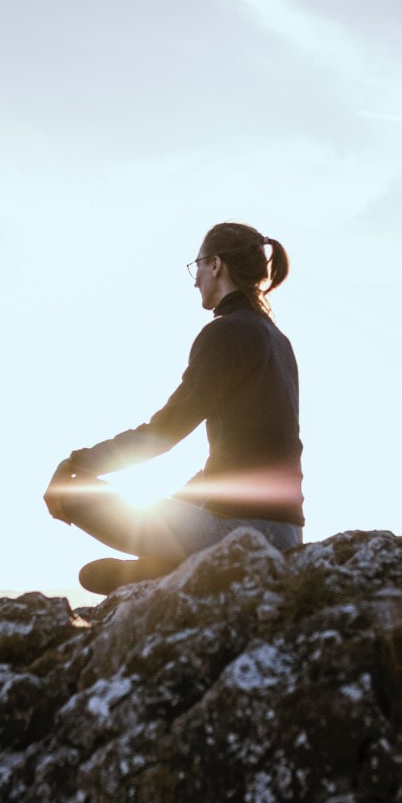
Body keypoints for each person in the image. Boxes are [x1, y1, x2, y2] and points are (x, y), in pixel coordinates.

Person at [43, 221, 304, 595]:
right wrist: (184, 499)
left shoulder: (226, 332)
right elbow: (254, 452)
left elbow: (164, 432)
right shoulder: (278, 340)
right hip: (287, 533)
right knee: (180, 499)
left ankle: (174, 570)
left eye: (197, 265)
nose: (195, 278)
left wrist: (76, 463)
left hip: (244, 536)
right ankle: (171, 568)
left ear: (216, 265)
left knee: (72, 492)